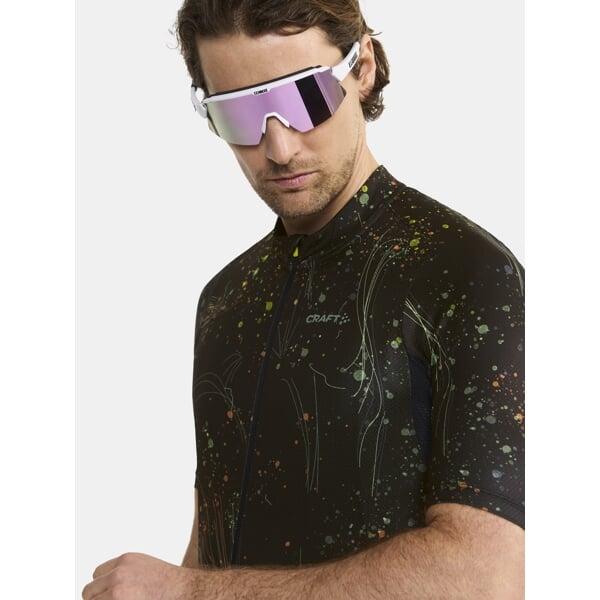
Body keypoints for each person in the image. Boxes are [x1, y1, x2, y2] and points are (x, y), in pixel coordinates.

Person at [82, 1, 524, 598]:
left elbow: (486, 576)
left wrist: (185, 592)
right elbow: (211, 552)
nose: (279, 147)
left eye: (305, 97)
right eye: (237, 113)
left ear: (362, 67)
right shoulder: (224, 301)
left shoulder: (469, 274)